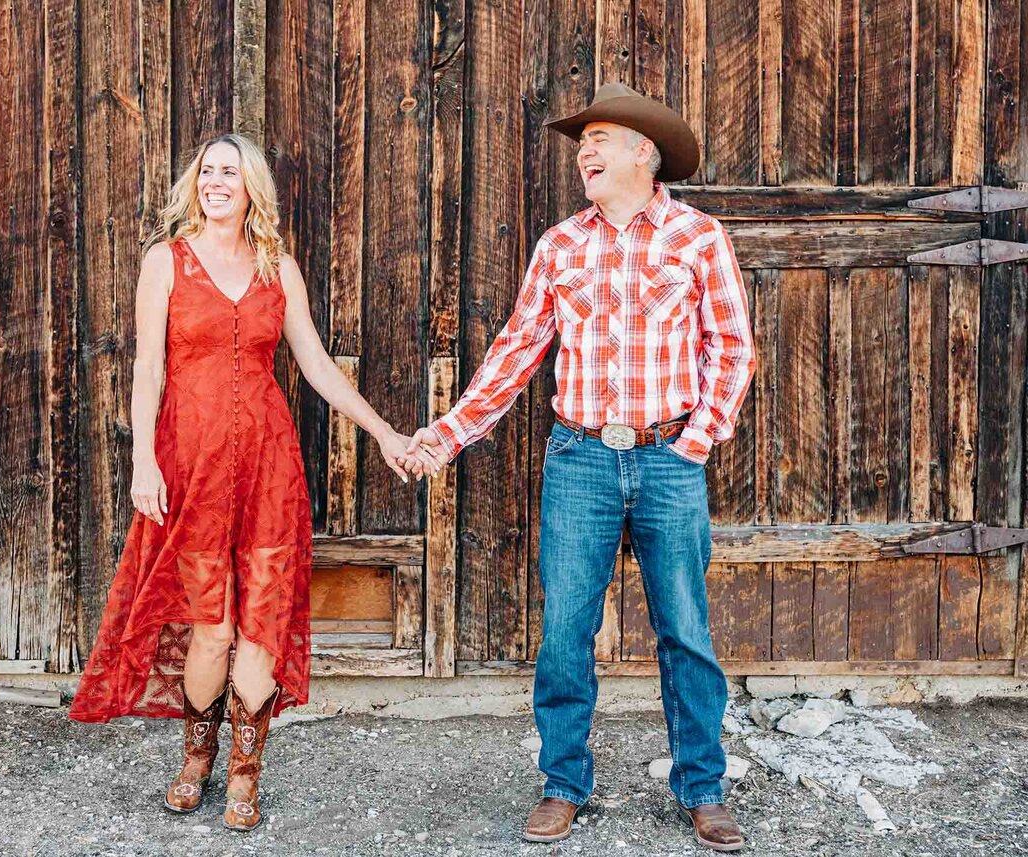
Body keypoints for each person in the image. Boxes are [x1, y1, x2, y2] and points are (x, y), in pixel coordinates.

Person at [407, 83, 756, 851]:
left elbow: (732, 347)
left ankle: (703, 786)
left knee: (686, 629)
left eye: (599, 137)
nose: (584, 152)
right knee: (566, 628)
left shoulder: (698, 236)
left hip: (670, 455)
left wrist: (696, 441)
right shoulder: (561, 245)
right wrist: (447, 434)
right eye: (581, 142)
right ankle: (564, 781)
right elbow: (515, 351)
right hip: (579, 459)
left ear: (644, 151)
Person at [68, 133, 424, 831]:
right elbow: (147, 371)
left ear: (251, 186)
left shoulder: (276, 267)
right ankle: (197, 755)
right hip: (191, 468)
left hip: (268, 469)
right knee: (212, 627)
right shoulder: (165, 262)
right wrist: (144, 460)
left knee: (260, 625)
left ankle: (244, 773)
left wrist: (383, 431)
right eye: (206, 172)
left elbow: (316, 366)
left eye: (229, 172)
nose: (215, 183)